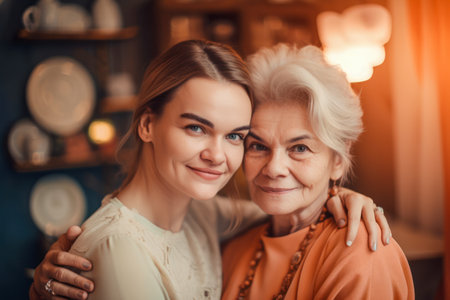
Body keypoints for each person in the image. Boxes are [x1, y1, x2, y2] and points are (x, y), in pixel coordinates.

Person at [29, 40, 390, 300]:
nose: (217, 156)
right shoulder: (116, 247)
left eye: (235, 136)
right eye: (196, 128)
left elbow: (282, 209)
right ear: (147, 125)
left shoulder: (205, 217)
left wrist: (338, 193)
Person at [221, 44, 414, 300]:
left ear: (337, 160)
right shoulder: (237, 248)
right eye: (258, 146)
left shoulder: (363, 253)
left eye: (299, 148)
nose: (274, 168)